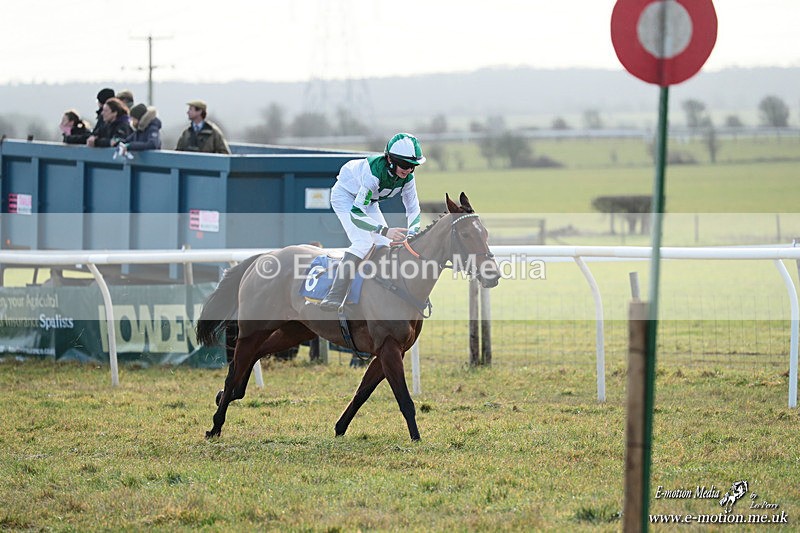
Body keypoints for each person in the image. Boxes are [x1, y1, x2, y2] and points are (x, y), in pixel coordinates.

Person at [319, 132, 426, 311]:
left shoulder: (407, 178)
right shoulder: (373, 174)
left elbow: (413, 208)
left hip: (368, 202)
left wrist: (414, 232)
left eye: (413, 166)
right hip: (345, 197)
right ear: (391, 160)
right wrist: (385, 230)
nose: (408, 170)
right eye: (405, 165)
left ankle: (374, 289)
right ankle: (334, 295)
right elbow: (356, 213)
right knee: (364, 243)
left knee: (384, 244)